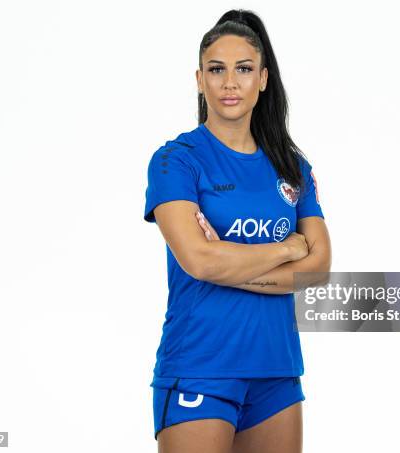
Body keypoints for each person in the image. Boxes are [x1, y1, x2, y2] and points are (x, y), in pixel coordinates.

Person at [144, 9, 332, 453]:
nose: (230, 83)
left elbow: (319, 267)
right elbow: (199, 260)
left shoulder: (292, 166)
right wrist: (287, 248)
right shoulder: (176, 160)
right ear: (199, 79)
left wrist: (227, 261)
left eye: (244, 69)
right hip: (200, 366)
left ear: (263, 79)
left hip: (277, 372)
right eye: (217, 69)